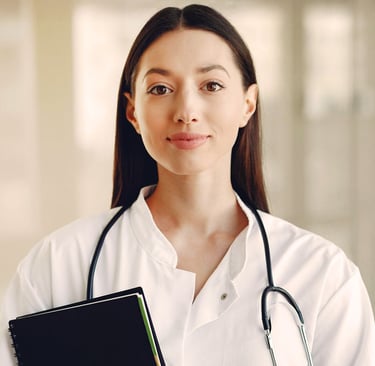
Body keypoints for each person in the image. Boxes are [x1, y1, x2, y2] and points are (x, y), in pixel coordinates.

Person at [0, 4, 374, 365]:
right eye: (161, 89)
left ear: (248, 103)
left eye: (211, 85)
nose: (186, 111)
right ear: (133, 112)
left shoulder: (322, 275)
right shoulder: (60, 265)